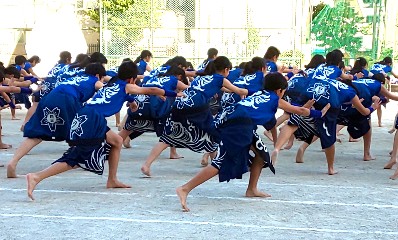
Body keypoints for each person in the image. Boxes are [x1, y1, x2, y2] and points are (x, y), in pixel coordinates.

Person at [26, 60, 184, 200]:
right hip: (92, 119)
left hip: (88, 115)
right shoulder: (127, 85)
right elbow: (151, 90)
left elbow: (119, 95)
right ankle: (37, 176)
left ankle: (112, 179)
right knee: (78, 157)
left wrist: (132, 101)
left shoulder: (113, 83)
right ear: (132, 79)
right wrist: (173, 94)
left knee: (117, 141)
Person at [175, 72, 328, 212]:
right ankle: (185, 188)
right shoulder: (275, 99)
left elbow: (276, 120)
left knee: (262, 155)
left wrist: (302, 110)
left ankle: (252, 189)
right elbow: (299, 111)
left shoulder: (260, 93)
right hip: (237, 126)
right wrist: (319, 113)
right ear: (279, 91)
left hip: (238, 123)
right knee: (220, 163)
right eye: (283, 92)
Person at [141, 56, 249, 176]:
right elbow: (238, 91)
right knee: (214, 134)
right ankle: (217, 166)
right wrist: (251, 91)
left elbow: (224, 89)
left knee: (167, 138)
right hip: (197, 108)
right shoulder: (220, 79)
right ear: (226, 69)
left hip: (180, 105)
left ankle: (146, 165)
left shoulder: (202, 78)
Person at [7, 63, 106, 178]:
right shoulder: (95, 80)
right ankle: (80, 159)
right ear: (98, 75)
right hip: (68, 100)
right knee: (80, 130)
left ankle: (13, 162)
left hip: (50, 98)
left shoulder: (76, 77)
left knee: (38, 133)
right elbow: (101, 86)